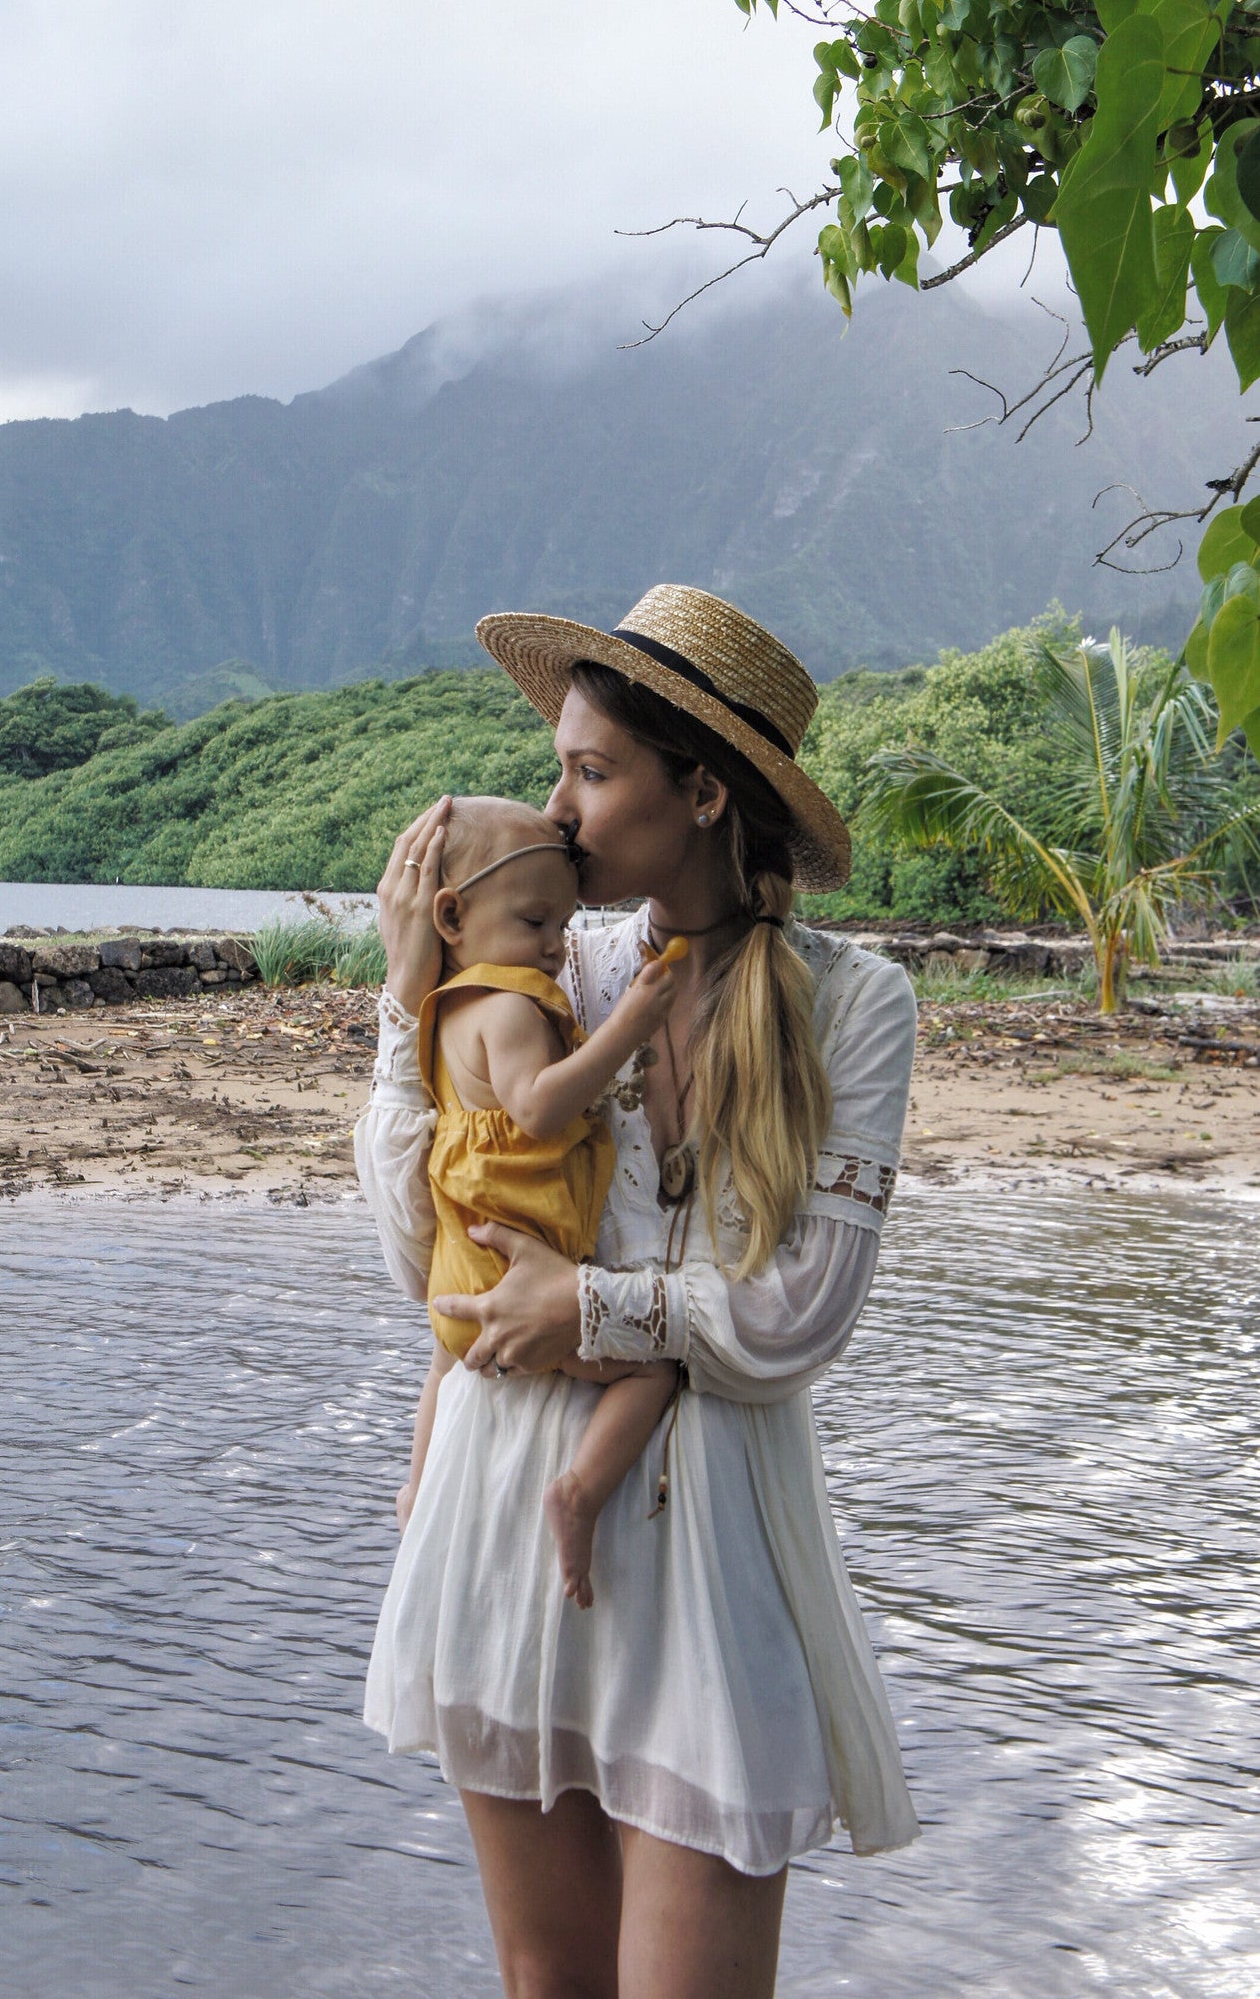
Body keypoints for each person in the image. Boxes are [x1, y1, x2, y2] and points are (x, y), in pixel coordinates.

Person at [356, 584, 919, 1999]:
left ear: (707, 793)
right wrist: (399, 998)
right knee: (548, 1982)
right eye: (558, 769)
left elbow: (802, 1315)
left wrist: (593, 1312)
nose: (557, 813)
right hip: (506, 1508)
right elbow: (425, 1253)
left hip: (712, 1545)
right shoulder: (554, 963)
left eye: (593, 773)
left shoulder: (854, 1003)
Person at [395, 792, 683, 1607]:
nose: (557, 949)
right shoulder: (513, 1007)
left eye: (563, 928)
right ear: (450, 915)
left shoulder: (440, 1012)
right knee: (651, 1373)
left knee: (443, 1363)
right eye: (535, 925)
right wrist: (628, 1025)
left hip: (462, 1274)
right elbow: (541, 1107)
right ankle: (580, 1493)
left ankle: (415, 1489)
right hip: (512, 1277)